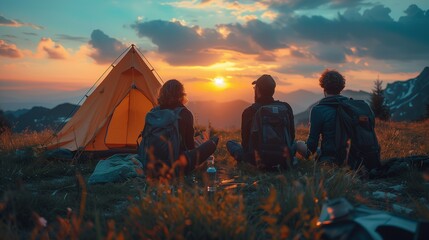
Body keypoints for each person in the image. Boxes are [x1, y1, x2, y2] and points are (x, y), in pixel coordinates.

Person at [140, 79, 218, 178]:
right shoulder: (184, 113)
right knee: (212, 142)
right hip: (175, 166)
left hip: (149, 165)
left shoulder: (153, 112)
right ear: (181, 94)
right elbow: (189, 146)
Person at [226, 74, 295, 170]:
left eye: (255, 88)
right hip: (284, 156)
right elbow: (291, 138)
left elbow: (245, 145)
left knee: (230, 143)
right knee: (297, 143)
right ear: (273, 90)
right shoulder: (286, 108)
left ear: (258, 91)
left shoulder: (249, 112)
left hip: (257, 160)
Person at [304, 69, 349, 164]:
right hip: (351, 157)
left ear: (323, 87)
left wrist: (299, 147)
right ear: (341, 88)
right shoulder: (351, 107)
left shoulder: (318, 110)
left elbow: (312, 144)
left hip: (329, 159)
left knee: (298, 145)